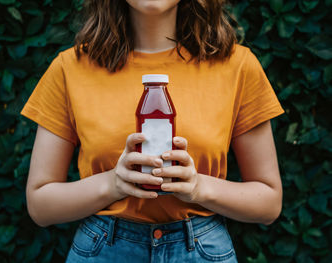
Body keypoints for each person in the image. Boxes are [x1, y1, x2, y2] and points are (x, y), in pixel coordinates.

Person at [20, 0, 285, 262]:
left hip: (202, 250)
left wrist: (199, 187)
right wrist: (112, 184)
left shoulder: (238, 65)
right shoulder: (71, 67)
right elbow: (41, 205)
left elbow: (268, 204)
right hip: (103, 250)